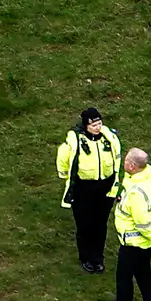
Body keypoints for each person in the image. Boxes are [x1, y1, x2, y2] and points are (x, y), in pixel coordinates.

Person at [53, 108, 123, 274]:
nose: (97, 127)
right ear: (85, 126)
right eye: (93, 125)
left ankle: (98, 258)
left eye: (99, 123)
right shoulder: (75, 141)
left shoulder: (109, 138)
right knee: (85, 225)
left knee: (100, 225)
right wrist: (67, 179)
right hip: (83, 190)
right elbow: (62, 159)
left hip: (105, 189)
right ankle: (85, 257)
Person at [110, 145, 151, 301]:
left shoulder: (135, 191)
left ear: (133, 166)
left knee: (124, 279)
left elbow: (141, 219)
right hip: (146, 242)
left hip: (133, 242)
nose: (124, 162)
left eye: (126, 160)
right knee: (145, 276)